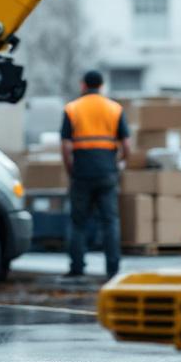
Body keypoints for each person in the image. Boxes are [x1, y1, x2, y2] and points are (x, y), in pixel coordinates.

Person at [61, 70, 132, 279]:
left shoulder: (72, 109)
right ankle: (112, 268)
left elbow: (66, 147)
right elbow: (126, 144)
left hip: (81, 173)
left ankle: (77, 267)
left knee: (78, 222)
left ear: (83, 85)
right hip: (107, 173)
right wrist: (120, 163)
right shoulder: (115, 109)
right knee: (110, 221)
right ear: (101, 86)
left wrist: (70, 170)